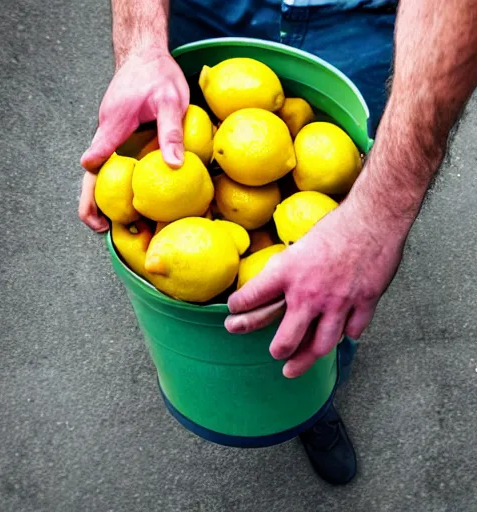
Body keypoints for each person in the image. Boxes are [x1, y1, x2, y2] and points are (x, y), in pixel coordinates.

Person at [78, 0, 477, 485]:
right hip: (208, 10)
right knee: (213, 309)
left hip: (366, 23)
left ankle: (316, 397)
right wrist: (140, 48)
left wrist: (382, 215)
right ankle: (238, 379)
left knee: (334, 280)